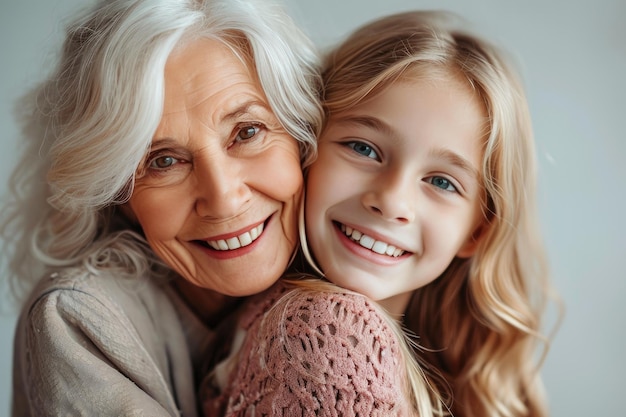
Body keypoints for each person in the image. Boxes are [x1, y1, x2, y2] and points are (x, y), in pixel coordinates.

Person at [200, 10, 557, 417]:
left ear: (477, 232)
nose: (391, 201)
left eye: (441, 182)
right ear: (305, 149)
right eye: (363, 148)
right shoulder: (331, 331)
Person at [0, 0, 323, 415]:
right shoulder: (79, 318)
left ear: (303, 135)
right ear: (115, 195)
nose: (223, 198)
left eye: (247, 132)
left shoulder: (360, 261)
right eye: (163, 161)